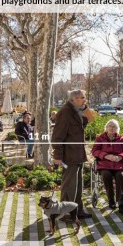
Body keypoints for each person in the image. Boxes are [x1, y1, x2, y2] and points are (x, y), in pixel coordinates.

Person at [52, 89, 96, 221]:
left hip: (78, 154)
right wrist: (57, 156)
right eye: (82, 97)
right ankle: (66, 213)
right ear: (73, 99)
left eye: (84, 97)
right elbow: (57, 136)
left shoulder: (76, 110)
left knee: (77, 185)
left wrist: (85, 108)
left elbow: (89, 120)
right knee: (69, 186)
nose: (85, 99)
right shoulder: (65, 112)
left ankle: (77, 210)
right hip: (68, 155)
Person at [91, 119, 123, 211]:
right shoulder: (100, 138)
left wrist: (120, 157)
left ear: (117, 129)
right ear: (106, 128)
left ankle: (121, 201)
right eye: (109, 126)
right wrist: (106, 155)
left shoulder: (122, 139)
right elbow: (94, 151)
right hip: (104, 164)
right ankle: (111, 200)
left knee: (120, 175)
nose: (111, 128)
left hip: (119, 164)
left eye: (114, 126)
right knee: (106, 175)